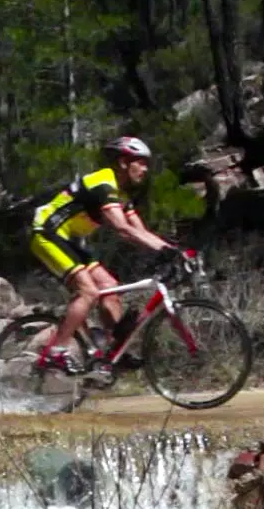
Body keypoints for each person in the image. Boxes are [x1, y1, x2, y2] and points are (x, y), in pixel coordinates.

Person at [25, 136, 183, 376]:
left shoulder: (120, 194)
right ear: (123, 162)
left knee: (110, 287)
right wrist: (165, 251)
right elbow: (122, 229)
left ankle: (113, 352)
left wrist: (176, 252)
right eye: (140, 163)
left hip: (69, 240)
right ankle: (57, 351)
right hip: (47, 233)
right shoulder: (103, 184)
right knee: (88, 291)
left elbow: (140, 231)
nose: (145, 169)